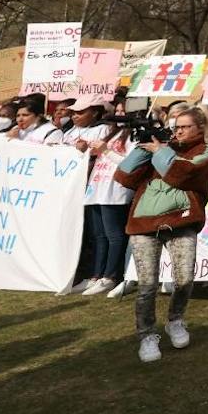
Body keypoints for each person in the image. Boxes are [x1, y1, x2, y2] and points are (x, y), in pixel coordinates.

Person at [113, 106, 208, 363]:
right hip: (143, 223)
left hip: (181, 222)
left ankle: (176, 319)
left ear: (200, 128)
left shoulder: (207, 150)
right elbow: (124, 176)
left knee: (184, 279)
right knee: (147, 285)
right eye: (175, 126)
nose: (178, 131)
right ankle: (147, 334)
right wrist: (143, 146)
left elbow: (183, 174)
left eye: (184, 126)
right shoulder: (161, 146)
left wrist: (160, 150)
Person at [77, 111, 133, 296]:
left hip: (115, 190)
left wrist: (106, 150)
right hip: (98, 187)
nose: (118, 114)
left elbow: (129, 164)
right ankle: (96, 275)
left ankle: (110, 276)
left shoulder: (133, 136)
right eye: (116, 110)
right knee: (98, 235)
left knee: (114, 236)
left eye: (122, 110)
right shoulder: (111, 133)